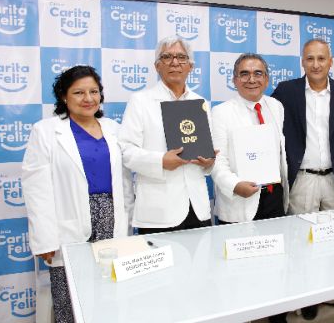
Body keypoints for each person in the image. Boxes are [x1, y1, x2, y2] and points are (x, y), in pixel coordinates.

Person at [22, 65, 133, 323]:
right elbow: (36, 189)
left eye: (94, 91)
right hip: (68, 225)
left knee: (111, 295)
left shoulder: (114, 128)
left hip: (112, 219)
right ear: (64, 96)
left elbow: (126, 181)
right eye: (79, 92)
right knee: (70, 299)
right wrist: (45, 239)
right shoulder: (46, 131)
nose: (89, 99)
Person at [272, 38, 334, 319]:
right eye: (310, 58)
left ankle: (333, 293)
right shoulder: (286, 91)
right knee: (300, 243)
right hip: (302, 179)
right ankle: (306, 297)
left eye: (321, 58)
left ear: (331, 61)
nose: (316, 64)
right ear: (302, 61)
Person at [119, 36, 216, 234]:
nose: (174, 63)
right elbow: (126, 151)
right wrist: (161, 160)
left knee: (200, 264)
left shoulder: (201, 102)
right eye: (167, 57)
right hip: (159, 211)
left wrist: (208, 162)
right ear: (157, 66)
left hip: (197, 208)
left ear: (190, 66)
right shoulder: (140, 101)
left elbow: (208, 151)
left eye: (181, 57)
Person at [211, 53, 289, 224]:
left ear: (267, 79)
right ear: (235, 80)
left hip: (274, 197)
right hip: (240, 199)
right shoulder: (221, 113)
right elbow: (217, 160)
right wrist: (234, 185)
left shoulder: (276, 106)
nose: (251, 79)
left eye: (258, 73)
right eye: (244, 74)